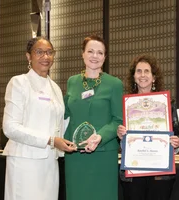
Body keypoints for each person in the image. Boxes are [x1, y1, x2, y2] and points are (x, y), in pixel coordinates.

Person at [2, 36, 76, 200]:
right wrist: (50, 140)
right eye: (39, 52)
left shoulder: (55, 87)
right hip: (25, 162)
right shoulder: (19, 83)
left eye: (50, 52)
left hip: (50, 163)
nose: (46, 57)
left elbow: (59, 124)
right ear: (28, 56)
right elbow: (10, 127)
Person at [64, 34, 123, 200]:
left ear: (105, 57)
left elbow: (118, 119)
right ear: (82, 54)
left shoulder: (114, 84)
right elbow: (65, 114)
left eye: (100, 52)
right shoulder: (72, 82)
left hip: (103, 154)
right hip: (75, 155)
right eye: (90, 51)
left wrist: (100, 136)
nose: (94, 56)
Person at [117, 54, 179, 200]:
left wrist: (176, 144)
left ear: (154, 77)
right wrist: (120, 136)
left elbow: (177, 136)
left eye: (147, 71)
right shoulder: (125, 106)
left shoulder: (167, 104)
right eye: (138, 71)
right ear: (133, 77)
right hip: (133, 172)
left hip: (160, 172)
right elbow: (120, 144)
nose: (142, 75)